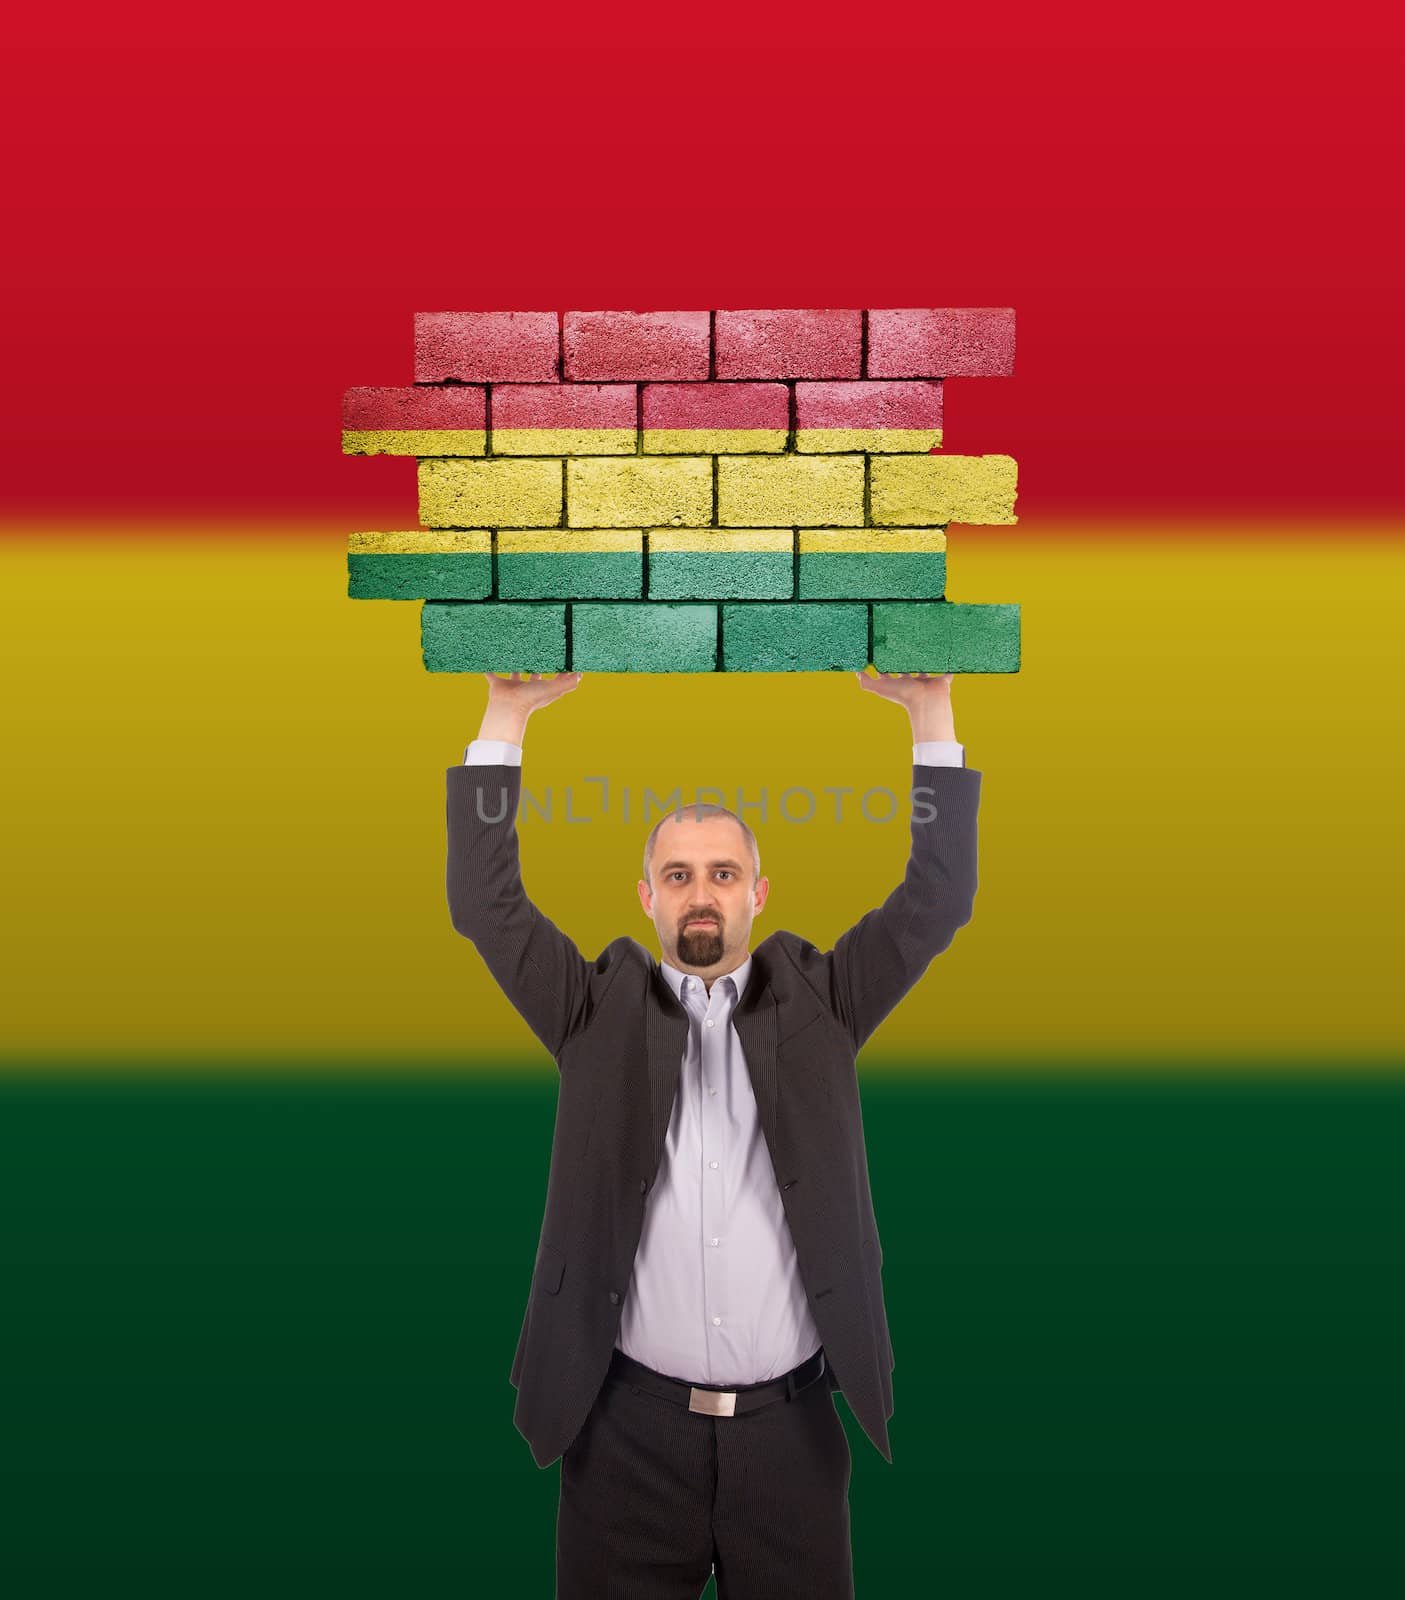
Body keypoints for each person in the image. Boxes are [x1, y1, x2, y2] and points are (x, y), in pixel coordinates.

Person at [446, 668, 981, 1598]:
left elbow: (935, 902)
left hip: (793, 1440)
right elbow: (484, 907)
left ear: (758, 894)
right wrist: (508, 712)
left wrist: (928, 712)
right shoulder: (589, 1008)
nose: (702, 894)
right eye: (679, 875)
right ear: (646, 895)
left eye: (723, 875)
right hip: (621, 1434)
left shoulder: (827, 997)